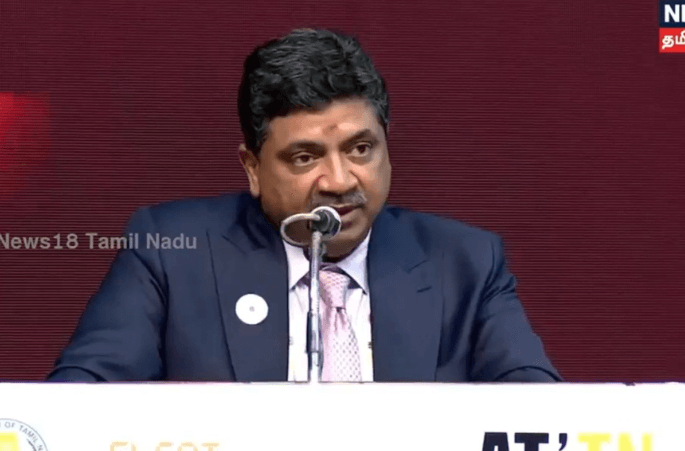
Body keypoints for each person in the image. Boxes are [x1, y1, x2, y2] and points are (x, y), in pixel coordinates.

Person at [47, 28, 560, 382]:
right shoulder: (170, 252)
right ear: (252, 167)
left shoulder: (465, 263)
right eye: (305, 157)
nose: (339, 181)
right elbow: (77, 406)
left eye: (361, 149)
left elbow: (544, 416)